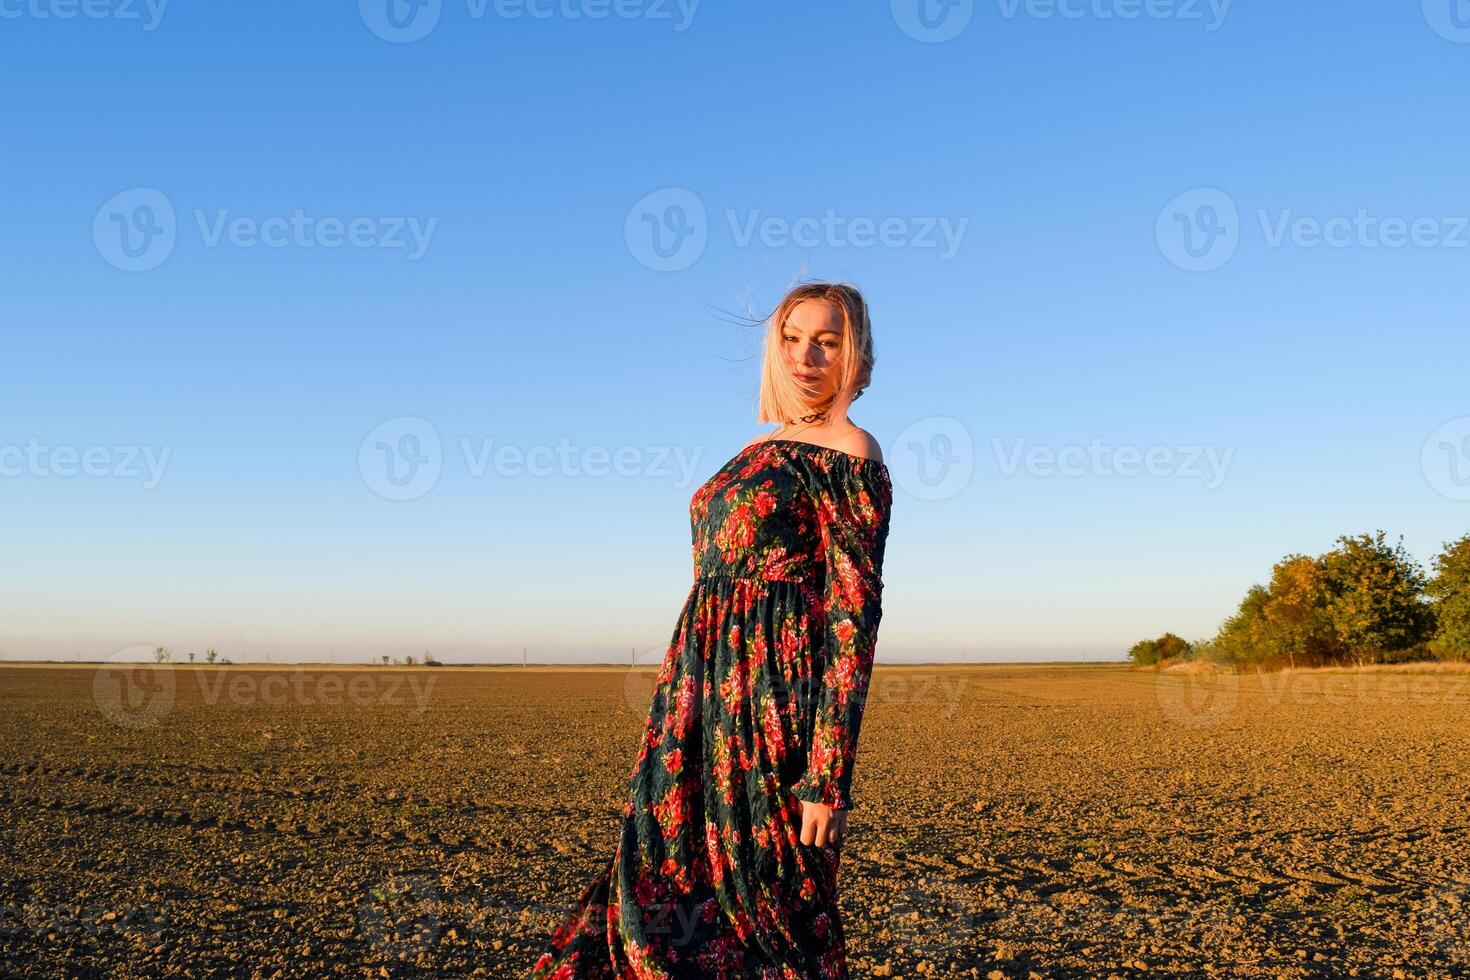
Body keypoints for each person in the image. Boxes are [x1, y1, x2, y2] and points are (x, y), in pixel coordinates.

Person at [528, 281, 894, 979]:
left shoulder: (852, 451)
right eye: (791, 337)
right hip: (698, 697)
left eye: (827, 340)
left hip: (773, 707)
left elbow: (854, 615)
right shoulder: (758, 448)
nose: (805, 355)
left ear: (857, 354)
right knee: (658, 882)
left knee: (764, 907)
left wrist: (827, 775)